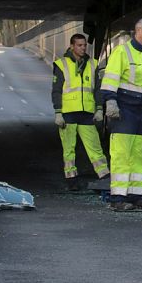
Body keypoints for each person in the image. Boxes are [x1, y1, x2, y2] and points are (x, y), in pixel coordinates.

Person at [101, 18, 142, 210]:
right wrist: (110, 101)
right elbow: (110, 79)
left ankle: (134, 196)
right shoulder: (121, 52)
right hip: (124, 110)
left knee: (141, 156)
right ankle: (117, 199)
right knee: (122, 155)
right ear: (138, 30)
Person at [51, 33, 109, 190]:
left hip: (87, 113)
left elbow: (98, 89)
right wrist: (58, 112)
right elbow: (56, 91)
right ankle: (71, 180)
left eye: (84, 45)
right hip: (68, 113)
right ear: (72, 46)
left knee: (95, 147)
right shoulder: (61, 64)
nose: (83, 48)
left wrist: (98, 109)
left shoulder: (92, 64)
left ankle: (105, 177)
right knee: (69, 149)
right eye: (79, 45)